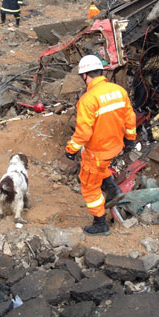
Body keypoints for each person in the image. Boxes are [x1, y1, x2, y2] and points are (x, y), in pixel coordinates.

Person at [65, 55, 136, 236]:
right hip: (115, 146)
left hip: (97, 151)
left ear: (85, 76)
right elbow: (130, 119)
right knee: (101, 168)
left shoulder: (88, 100)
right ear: (101, 71)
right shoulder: (119, 91)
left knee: (89, 186)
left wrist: (71, 150)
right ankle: (114, 191)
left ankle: (100, 223)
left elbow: (84, 133)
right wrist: (130, 140)